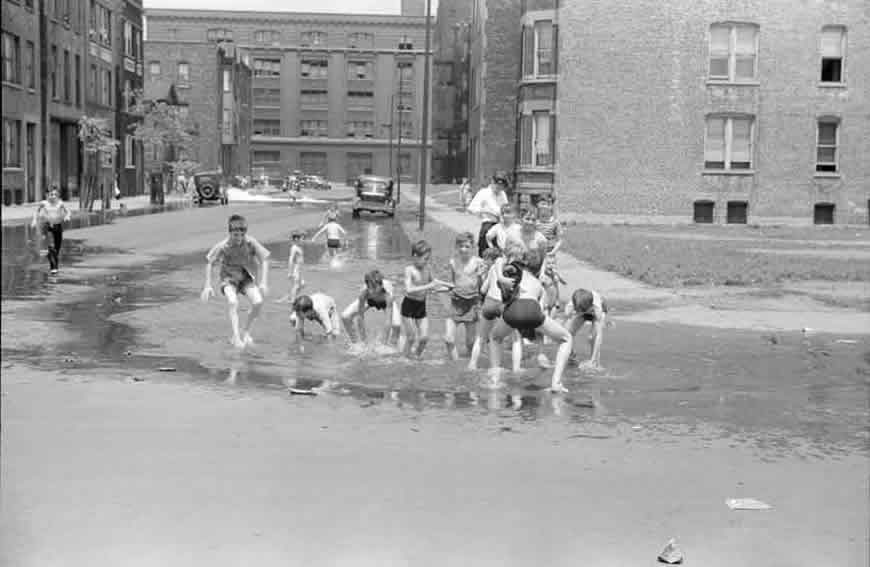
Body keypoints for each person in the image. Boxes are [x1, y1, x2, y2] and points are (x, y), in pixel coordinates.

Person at [488, 256, 574, 393]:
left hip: (512, 312)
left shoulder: (510, 279)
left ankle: (494, 381)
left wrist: (501, 277)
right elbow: (541, 310)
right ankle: (556, 383)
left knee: (494, 338)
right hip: (533, 310)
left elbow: (498, 261)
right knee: (566, 338)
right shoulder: (537, 282)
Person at [201, 214, 271, 349]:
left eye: (241, 235)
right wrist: (207, 285)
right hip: (228, 278)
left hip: (245, 277)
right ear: (230, 233)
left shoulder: (250, 242)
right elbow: (210, 262)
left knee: (258, 302)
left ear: (244, 233)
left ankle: (245, 332)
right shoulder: (223, 246)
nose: (238, 238)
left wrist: (263, 282)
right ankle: (236, 337)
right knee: (233, 302)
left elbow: (265, 259)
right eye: (235, 235)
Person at [467, 243, 524, 371]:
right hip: (505, 305)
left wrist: (482, 277)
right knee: (515, 339)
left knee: (481, 337)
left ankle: (472, 364)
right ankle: (516, 369)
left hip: (490, 303)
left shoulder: (494, 267)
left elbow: (482, 289)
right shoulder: (517, 270)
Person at [400, 240, 452, 359]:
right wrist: (430, 286)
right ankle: (404, 359)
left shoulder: (427, 269)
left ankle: (416, 357)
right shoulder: (409, 270)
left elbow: (436, 283)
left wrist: (451, 287)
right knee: (411, 337)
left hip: (421, 306)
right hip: (408, 305)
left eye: (428, 259)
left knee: (424, 338)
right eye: (425, 258)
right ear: (415, 256)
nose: (427, 261)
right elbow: (408, 289)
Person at [444, 232, 485, 360]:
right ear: (457, 247)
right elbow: (451, 283)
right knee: (449, 339)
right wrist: (437, 287)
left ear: (473, 247)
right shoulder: (453, 262)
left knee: (470, 343)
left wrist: (481, 276)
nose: (463, 249)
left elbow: (483, 286)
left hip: (471, 304)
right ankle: (455, 364)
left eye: (467, 246)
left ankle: (469, 363)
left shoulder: (478, 262)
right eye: (461, 246)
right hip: (456, 302)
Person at [341, 269, 402, 345]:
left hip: (384, 302)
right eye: (369, 287)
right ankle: (355, 342)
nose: (371, 291)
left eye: (374, 287)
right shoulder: (364, 293)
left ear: (381, 285)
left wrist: (384, 344)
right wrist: (364, 342)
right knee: (345, 316)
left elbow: (388, 321)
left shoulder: (388, 294)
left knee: (396, 325)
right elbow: (360, 317)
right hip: (369, 301)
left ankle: (392, 345)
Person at [466, 171, 510, 257]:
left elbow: (506, 209)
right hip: (488, 223)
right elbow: (471, 208)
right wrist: (486, 211)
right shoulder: (484, 192)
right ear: (492, 182)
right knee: (485, 250)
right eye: (497, 184)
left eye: (501, 186)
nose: (499, 187)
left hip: (501, 224)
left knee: (500, 251)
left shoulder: (503, 194)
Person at [564, 288, 609, 369]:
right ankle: (571, 355)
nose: (579, 312)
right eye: (578, 310)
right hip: (585, 310)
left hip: (597, 313)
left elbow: (598, 335)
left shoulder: (597, 307)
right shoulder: (572, 304)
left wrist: (592, 360)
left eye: (581, 311)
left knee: (592, 337)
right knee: (568, 333)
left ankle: (594, 361)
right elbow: (567, 317)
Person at [31, 186, 72, 274]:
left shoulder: (60, 203)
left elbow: (68, 211)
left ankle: (53, 263)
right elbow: (36, 212)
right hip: (48, 226)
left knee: (57, 249)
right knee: (51, 247)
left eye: (55, 194)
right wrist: (34, 220)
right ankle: (54, 268)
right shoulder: (44, 203)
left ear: (58, 195)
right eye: (51, 194)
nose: (53, 196)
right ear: (47, 195)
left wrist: (67, 216)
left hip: (58, 226)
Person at [287, 231, 305, 304]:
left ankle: (291, 297)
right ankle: (292, 301)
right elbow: (290, 260)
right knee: (296, 285)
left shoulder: (298, 247)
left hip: (300, 269)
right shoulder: (294, 248)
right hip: (296, 269)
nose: (302, 240)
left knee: (303, 284)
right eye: (301, 238)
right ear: (296, 239)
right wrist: (290, 272)